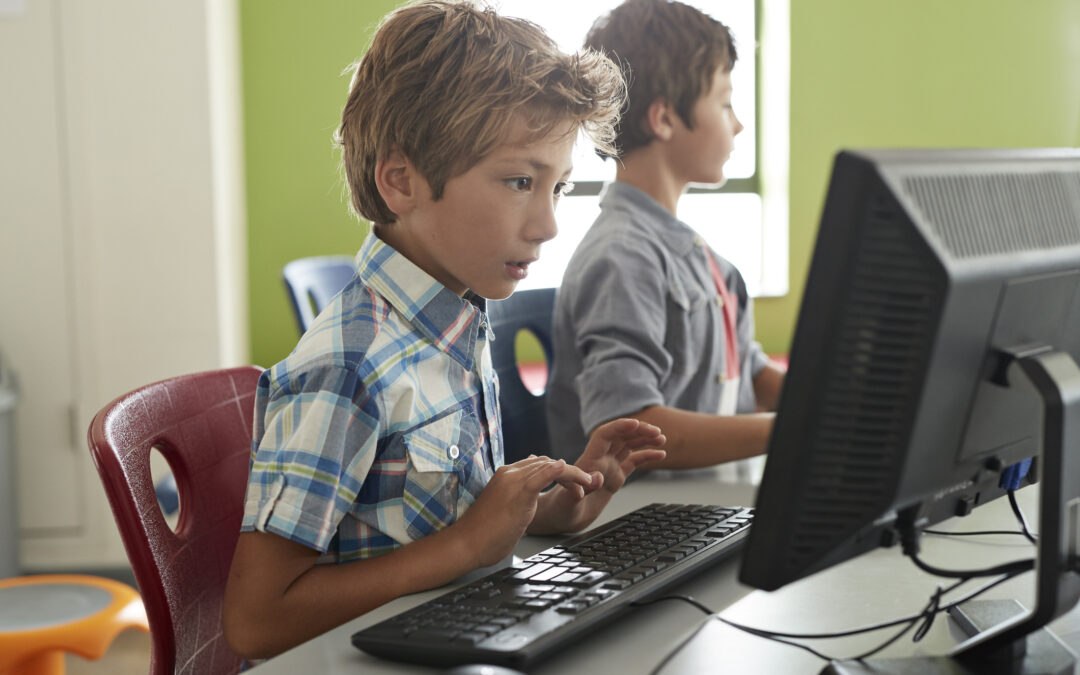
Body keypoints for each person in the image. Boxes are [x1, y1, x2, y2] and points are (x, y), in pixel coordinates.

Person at [223, 0, 666, 660]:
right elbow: (256, 621)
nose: (547, 224)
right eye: (520, 180)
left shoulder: (455, 321)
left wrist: (548, 510)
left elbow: (444, 516)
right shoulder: (350, 368)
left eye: (560, 188)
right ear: (401, 181)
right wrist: (462, 549)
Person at [546, 0, 784, 470]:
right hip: (638, 521)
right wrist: (792, 428)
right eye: (724, 101)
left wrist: (843, 410)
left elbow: (752, 374)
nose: (737, 123)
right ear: (664, 119)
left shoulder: (702, 257)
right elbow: (629, 427)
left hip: (710, 502)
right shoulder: (622, 258)